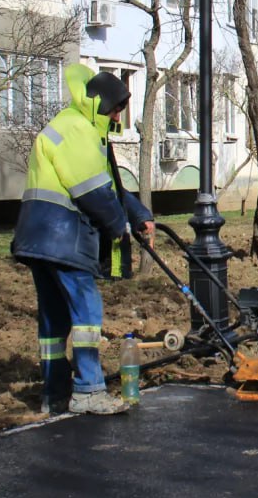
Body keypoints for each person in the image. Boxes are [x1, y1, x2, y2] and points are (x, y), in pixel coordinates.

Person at [11, 64, 155, 415]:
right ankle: (89, 391)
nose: (120, 116)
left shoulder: (71, 125)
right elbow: (92, 192)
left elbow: (108, 186)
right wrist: (119, 226)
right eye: (119, 109)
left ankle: (55, 392)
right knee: (87, 312)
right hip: (63, 236)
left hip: (37, 237)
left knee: (53, 319)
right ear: (108, 107)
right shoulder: (79, 131)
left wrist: (138, 216)